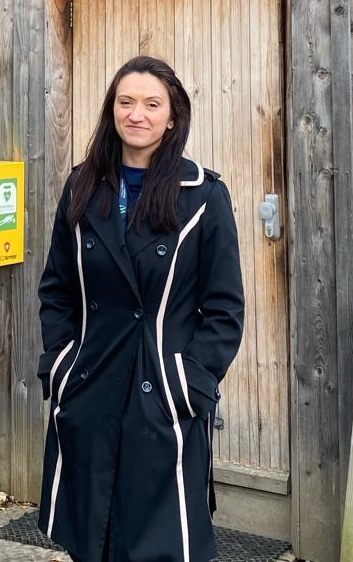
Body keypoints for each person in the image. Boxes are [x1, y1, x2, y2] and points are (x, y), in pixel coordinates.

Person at [37, 56, 244, 562]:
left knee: (161, 545)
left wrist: (188, 385)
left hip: (164, 397)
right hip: (90, 388)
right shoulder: (82, 185)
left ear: (172, 117)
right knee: (91, 541)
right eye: (125, 102)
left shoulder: (204, 196)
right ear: (111, 111)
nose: (137, 114)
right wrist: (62, 367)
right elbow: (57, 289)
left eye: (152, 104)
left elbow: (224, 309)